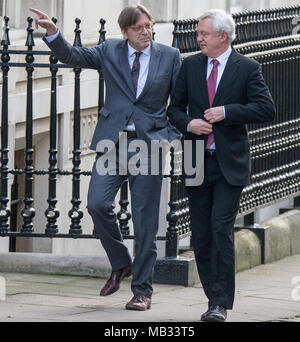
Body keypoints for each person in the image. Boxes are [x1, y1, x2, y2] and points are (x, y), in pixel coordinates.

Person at [30, 5, 181, 311]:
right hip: (113, 143)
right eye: (138, 28)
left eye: (148, 26)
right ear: (124, 32)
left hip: (149, 146)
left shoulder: (169, 56)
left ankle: (142, 291)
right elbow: (73, 56)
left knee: (145, 223)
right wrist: (52, 33)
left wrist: (170, 137)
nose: (145, 32)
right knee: (97, 204)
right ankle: (121, 262)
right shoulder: (110, 50)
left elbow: (179, 104)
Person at [167, 9, 275, 322]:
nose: (197, 38)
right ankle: (212, 296)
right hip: (196, 159)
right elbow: (174, 110)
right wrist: (190, 124)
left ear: (222, 36)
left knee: (220, 228)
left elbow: (266, 108)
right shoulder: (189, 66)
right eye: (198, 33)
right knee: (200, 235)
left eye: (203, 34)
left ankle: (219, 303)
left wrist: (227, 112)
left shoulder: (247, 68)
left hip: (230, 163)